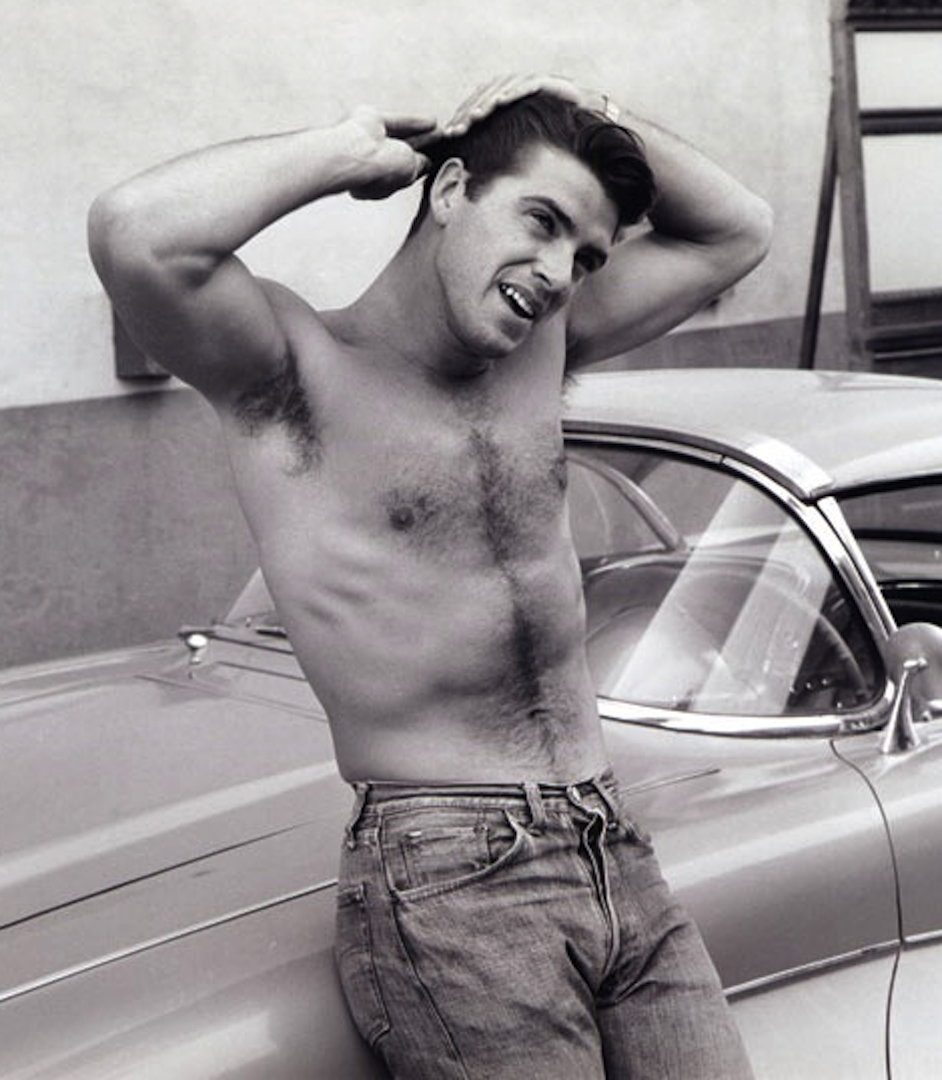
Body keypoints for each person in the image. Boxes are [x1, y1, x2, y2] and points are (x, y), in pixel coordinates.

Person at [88, 72, 771, 1078]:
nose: (557, 273)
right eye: (539, 221)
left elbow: (739, 231)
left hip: (612, 841)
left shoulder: (542, 343)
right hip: (450, 872)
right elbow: (136, 232)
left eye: (585, 256)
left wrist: (592, 105)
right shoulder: (292, 367)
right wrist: (346, 152)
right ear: (450, 191)